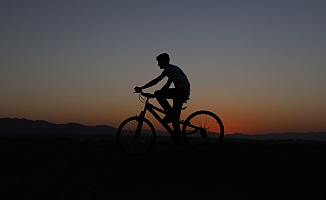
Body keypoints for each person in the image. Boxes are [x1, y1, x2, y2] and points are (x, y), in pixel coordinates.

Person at [134, 53, 190, 144]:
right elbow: (166, 86)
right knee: (174, 117)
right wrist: (154, 95)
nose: (158, 64)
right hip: (182, 92)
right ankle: (178, 139)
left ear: (164, 61)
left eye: (159, 62)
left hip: (181, 91)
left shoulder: (169, 69)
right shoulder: (172, 71)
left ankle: (170, 114)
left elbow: (156, 81)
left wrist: (142, 88)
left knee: (171, 113)